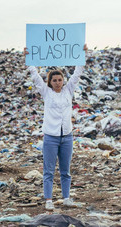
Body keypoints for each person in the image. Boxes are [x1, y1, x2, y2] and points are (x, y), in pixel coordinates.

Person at [24, 44, 88, 210]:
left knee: (66, 171)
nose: (58, 82)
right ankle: (49, 200)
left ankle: (66, 198)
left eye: (60, 80)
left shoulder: (68, 91)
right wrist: (28, 59)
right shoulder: (46, 92)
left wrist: (83, 53)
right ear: (50, 82)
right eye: (54, 80)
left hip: (67, 136)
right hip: (51, 137)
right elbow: (35, 76)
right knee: (49, 171)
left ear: (63, 81)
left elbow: (78, 73)